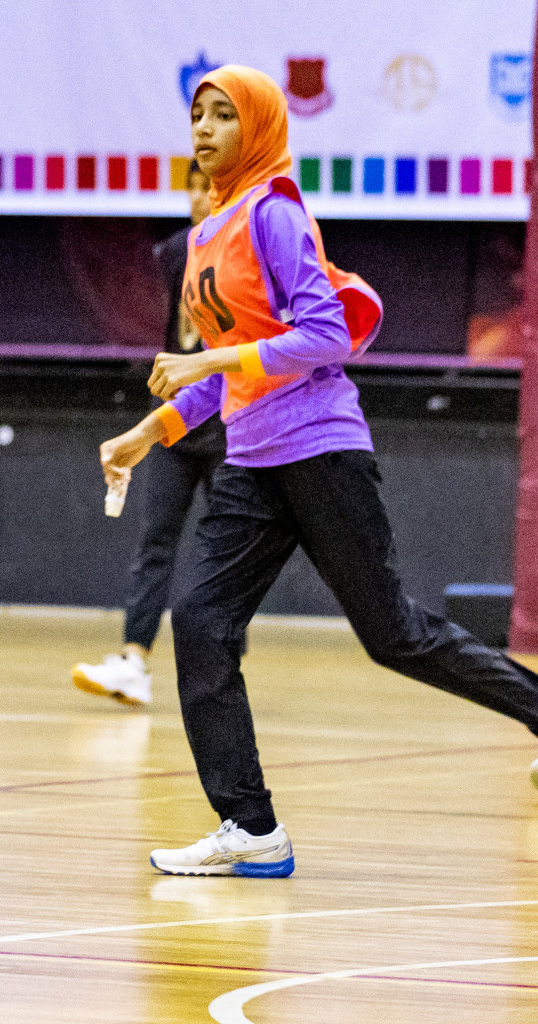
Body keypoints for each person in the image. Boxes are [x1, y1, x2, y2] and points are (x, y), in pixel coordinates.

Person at [99, 65, 538, 878]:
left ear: (258, 128)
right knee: (199, 622)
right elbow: (226, 382)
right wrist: (145, 433)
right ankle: (250, 824)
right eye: (197, 113)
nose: (204, 129)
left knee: (392, 636)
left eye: (223, 115)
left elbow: (325, 335)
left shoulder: (275, 212)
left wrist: (215, 358)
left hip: (320, 450)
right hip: (250, 461)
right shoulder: (202, 236)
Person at [73, 161, 223, 706]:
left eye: (214, 187)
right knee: (155, 540)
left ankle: (218, 653)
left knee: (225, 547)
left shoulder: (245, 255)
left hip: (231, 426)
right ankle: (135, 658)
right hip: (174, 424)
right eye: (196, 186)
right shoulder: (174, 253)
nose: (204, 197)